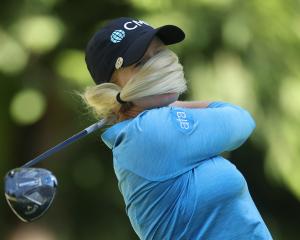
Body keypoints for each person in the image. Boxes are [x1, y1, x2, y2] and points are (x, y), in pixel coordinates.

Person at [81, 17, 273, 240]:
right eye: (141, 63)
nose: (160, 64)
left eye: (160, 53)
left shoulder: (140, 131)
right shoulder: (150, 132)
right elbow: (240, 120)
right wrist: (175, 106)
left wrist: (171, 105)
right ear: (114, 87)